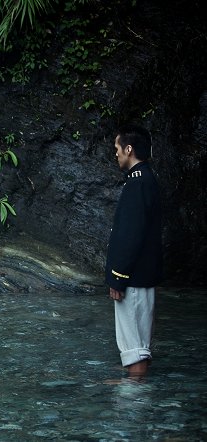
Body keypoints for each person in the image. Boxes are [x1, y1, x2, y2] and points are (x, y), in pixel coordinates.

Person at [105, 124, 163, 377]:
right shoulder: (145, 179)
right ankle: (135, 389)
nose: (116, 154)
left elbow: (131, 235)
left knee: (135, 348)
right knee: (138, 346)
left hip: (133, 278)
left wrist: (118, 276)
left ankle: (133, 405)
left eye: (117, 148)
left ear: (129, 149)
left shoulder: (138, 183)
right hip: (140, 275)